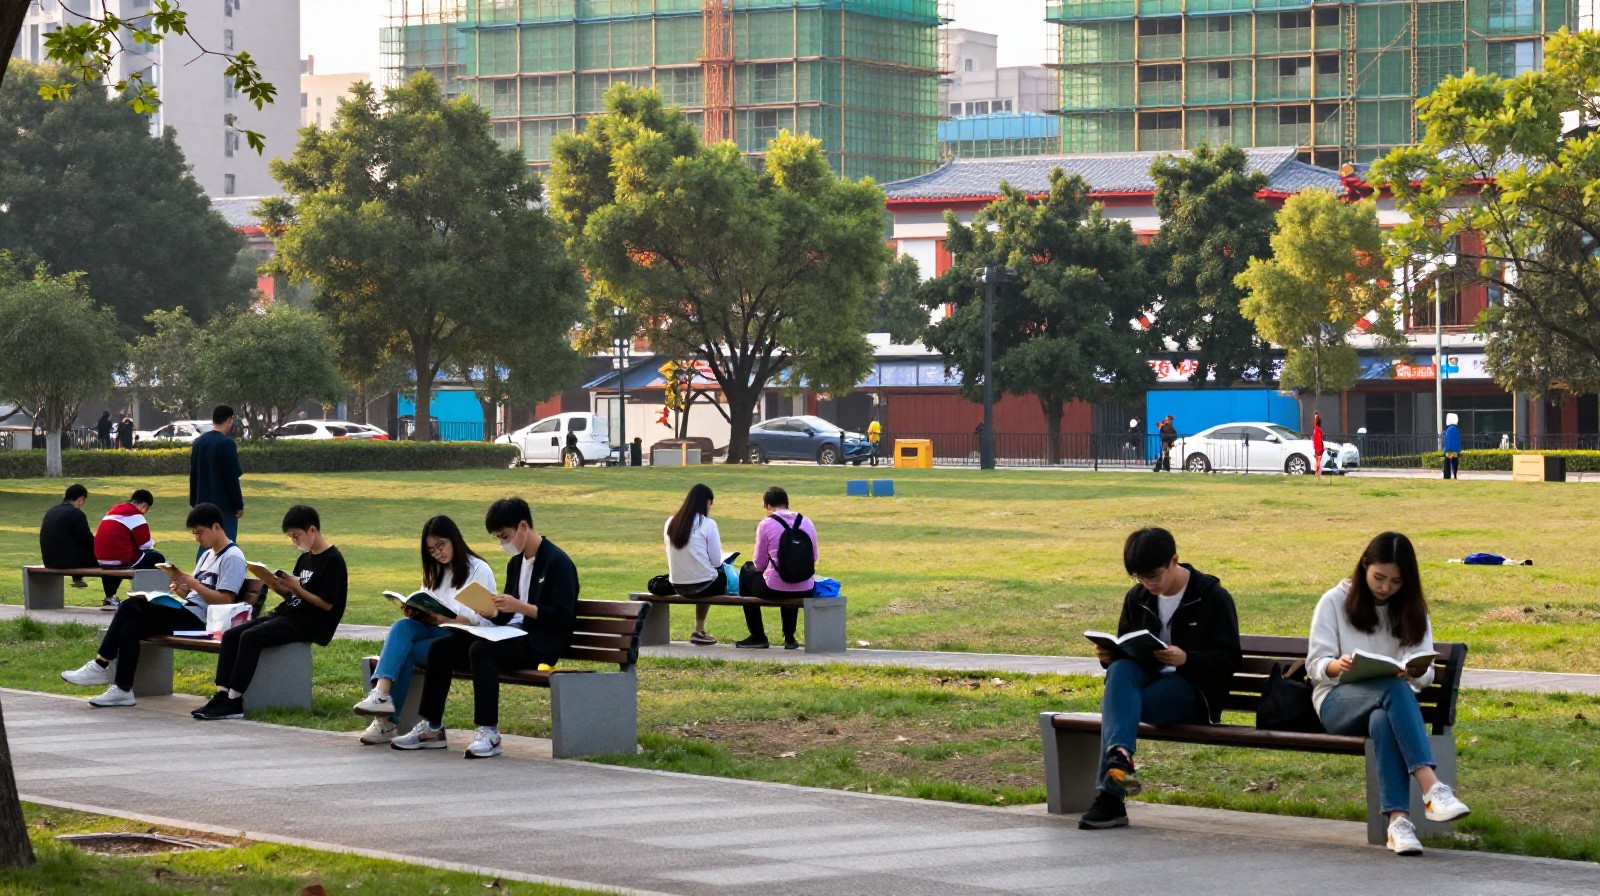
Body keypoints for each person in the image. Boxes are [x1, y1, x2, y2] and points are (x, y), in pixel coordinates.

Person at [1306, 532, 1471, 855]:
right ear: (1364, 566)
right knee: (1393, 690)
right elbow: (1315, 664)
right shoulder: (1334, 601)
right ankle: (1432, 787)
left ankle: (1398, 823)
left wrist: (1415, 671)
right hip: (1337, 702)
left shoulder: (1412, 610)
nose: (1385, 588)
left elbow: (1425, 671)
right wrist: (1337, 666)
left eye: (1395, 582)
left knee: (1384, 717)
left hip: (1388, 704)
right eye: (1379, 578)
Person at [1079, 527, 1241, 830]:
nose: (1147, 584)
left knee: (1119, 708)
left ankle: (1110, 799)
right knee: (1119, 670)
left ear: (1174, 560)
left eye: (1153, 576)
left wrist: (1187, 659)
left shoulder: (1212, 597)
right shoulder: (1137, 598)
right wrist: (1110, 656)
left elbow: (1229, 659)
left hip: (1192, 691)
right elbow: (1128, 648)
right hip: (1146, 684)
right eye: (1139, 577)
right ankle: (1120, 759)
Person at [391, 498, 578, 758]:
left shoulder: (557, 562)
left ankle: (488, 731)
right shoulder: (517, 563)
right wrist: (492, 611)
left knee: (481, 650)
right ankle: (431, 727)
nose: (503, 544)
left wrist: (521, 607)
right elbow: (507, 614)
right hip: (513, 634)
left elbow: (562, 617)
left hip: (541, 642)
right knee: (442, 647)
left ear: (523, 527)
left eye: (505, 536)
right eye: (498, 538)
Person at [60, 503, 248, 708]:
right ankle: (122, 690)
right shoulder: (207, 555)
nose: (198, 538)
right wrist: (182, 588)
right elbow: (197, 595)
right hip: (188, 612)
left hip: (203, 622)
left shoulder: (233, 557)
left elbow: (225, 600)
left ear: (216, 527)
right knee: (131, 623)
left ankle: (101, 664)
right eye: (194, 534)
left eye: (200, 533)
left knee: (130, 606)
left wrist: (194, 583)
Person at [351, 515, 499, 745]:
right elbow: (425, 602)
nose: (437, 553)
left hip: (459, 640)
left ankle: (386, 721)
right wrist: (417, 612)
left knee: (406, 651)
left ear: (454, 540)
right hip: (434, 632)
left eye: (441, 545)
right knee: (402, 627)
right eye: (431, 550)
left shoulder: (478, 569)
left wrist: (444, 618)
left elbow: (481, 622)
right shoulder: (434, 571)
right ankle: (381, 696)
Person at [193, 504, 347, 721]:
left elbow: (328, 605)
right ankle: (221, 694)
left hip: (310, 623)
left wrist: (297, 588)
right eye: (292, 538)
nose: (295, 542)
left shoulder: (333, 561)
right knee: (232, 635)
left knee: (250, 637)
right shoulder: (306, 558)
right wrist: (274, 583)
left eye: (297, 536)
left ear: (312, 530)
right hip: (291, 613)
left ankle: (235, 698)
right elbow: (294, 595)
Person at [735, 486, 818, 651]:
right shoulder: (806, 522)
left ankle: (757, 635)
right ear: (787, 503)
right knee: (791, 577)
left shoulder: (766, 524)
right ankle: (789, 637)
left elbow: (759, 563)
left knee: (746, 571)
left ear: (766, 505)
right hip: (806, 587)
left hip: (773, 589)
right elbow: (813, 557)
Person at [664, 483, 727, 646]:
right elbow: (716, 561)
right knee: (718, 575)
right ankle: (699, 628)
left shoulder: (671, 522)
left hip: (677, 584)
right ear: (706, 502)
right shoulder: (708, 524)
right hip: (704, 584)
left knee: (703, 574)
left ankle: (699, 630)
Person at [93, 489, 167, 609]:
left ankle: (109, 597)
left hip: (101, 557)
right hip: (120, 558)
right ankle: (146, 599)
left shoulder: (112, 511)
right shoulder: (136, 515)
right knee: (157, 558)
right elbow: (145, 545)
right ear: (144, 505)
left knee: (115, 561)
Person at [189, 405, 245, 543]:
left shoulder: (199, 442)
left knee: (205, 544)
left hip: (202, 504)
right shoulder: (227, 443)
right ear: (229, 420)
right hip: (223, 506)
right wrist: (238, 504)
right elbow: (231, 477)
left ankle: (202, 566)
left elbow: (194, 473)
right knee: (225, 544)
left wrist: (194, 501)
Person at [39, 483, 96, 590]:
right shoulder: (76, 513)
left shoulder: (51, 511)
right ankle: (110, 596)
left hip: (49, 560)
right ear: (80, 499)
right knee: (107, 564)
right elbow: (87, 539)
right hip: (66, 562)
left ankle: (77, 578)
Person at [1441, 413, 1462, 480]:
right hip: (1456, 451)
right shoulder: (1456, 429)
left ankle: (1447, 476)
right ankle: (1455, 475)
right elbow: (1458, 441)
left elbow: (1448, 441)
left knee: (1447, 463)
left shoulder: (1449, 430)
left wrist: (1445, 450)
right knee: (1455, 463)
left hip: (1449, 451)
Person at [1312, 412, 1325, 477]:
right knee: (1318, 461)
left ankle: (1317, 474)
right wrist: (1319, 449)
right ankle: (1318, 475)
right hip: (1318, 448)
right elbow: (1318, 440)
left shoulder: (1316, 429)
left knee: (1318, 461)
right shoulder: (1317, 430)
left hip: (1318, 448)